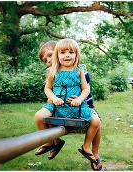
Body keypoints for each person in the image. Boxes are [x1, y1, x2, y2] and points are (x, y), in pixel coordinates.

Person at [35, 39, 103, 170]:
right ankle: (50, 141)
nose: (48, 61)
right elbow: (48, 89)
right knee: (39, 116)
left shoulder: (79, 70)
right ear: (59, 55)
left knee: (96, 122)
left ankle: (90, 150)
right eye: (45, 60)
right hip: (57, 107)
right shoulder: (52, 72)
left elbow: (85, 89)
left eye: (49, 56)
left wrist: (80, 99)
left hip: (80, 107)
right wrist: (53, 98)